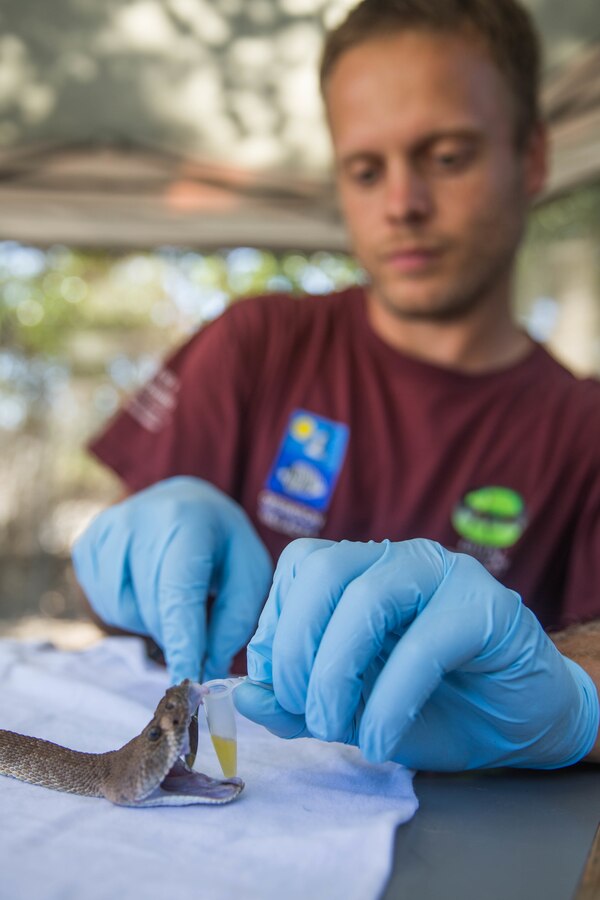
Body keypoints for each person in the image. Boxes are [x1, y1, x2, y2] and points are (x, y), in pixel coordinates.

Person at [72, 0, 599, 771]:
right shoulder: (258, 343)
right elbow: (108, 596)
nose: (402, 204)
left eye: (448, 156)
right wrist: (113, 563)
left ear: (533, 158)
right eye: (365, 169)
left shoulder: (583, 430)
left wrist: (573, 698)